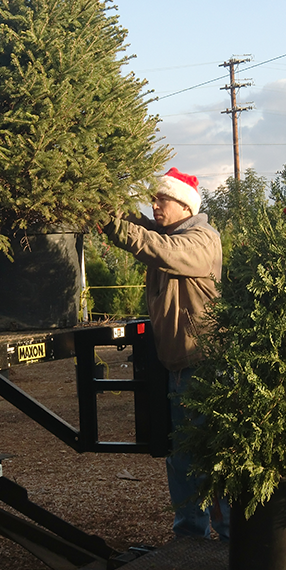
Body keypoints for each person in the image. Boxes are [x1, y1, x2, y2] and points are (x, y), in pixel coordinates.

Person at [103, 167, 230, 540]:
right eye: (154, 198)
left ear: (185, 206)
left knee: (210, 456)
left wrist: (115, 227)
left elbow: (157, 248)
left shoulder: (201, 240)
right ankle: (189, 535)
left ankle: (230, 538)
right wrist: (101, 204)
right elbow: (144, 227)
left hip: (203, 367)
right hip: (176, 366)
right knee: (181, 458)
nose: (155, 205)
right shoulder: (171, 233)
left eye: (163, 199)